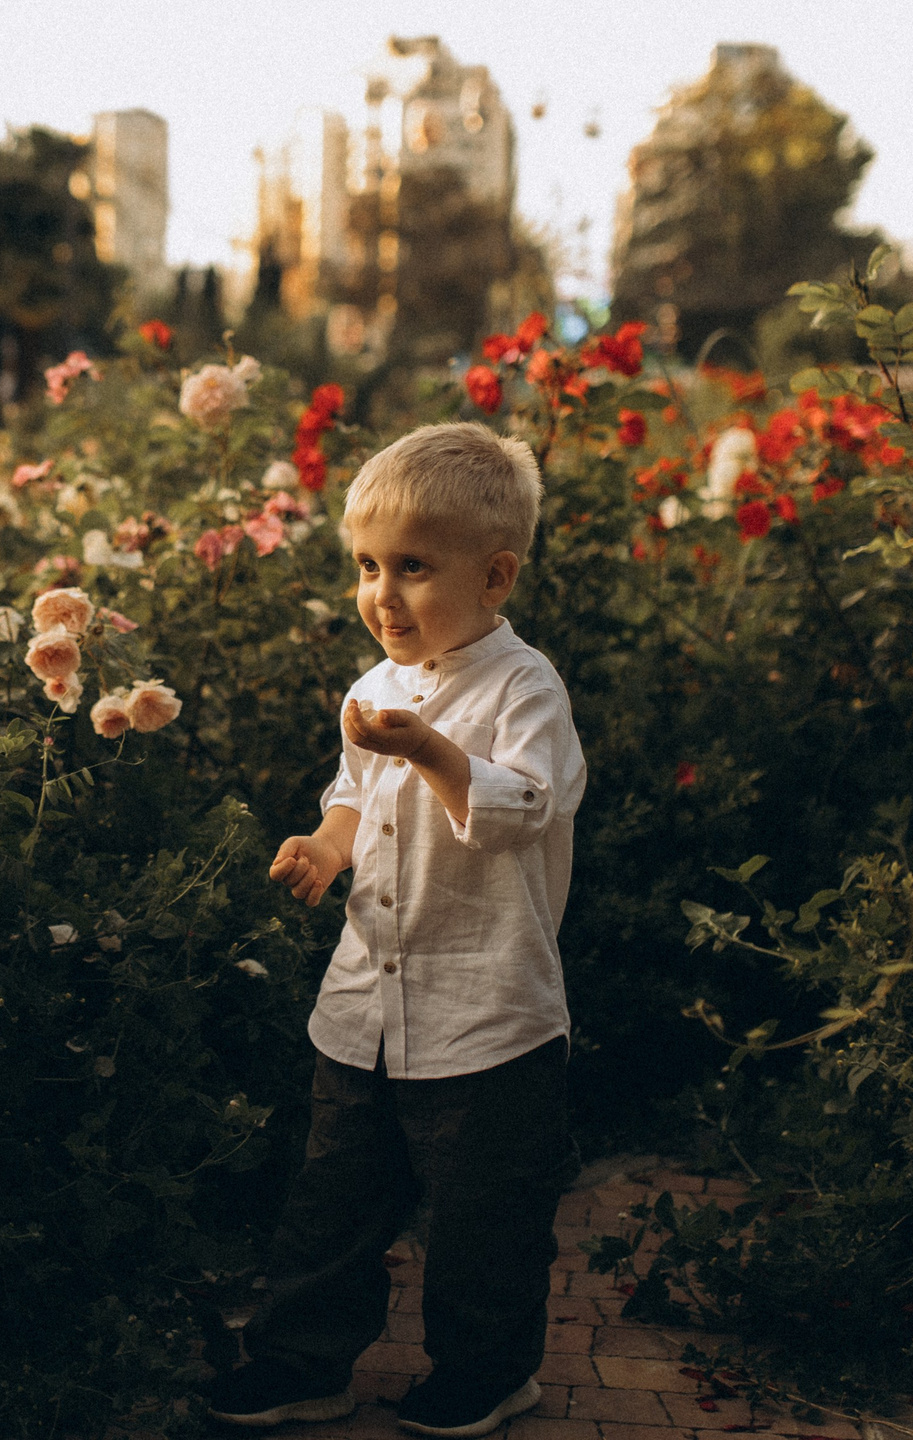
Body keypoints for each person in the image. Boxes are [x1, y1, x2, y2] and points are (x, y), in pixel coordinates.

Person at [207, 423, 587, 1438]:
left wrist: (431, 751)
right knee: (328, 1202)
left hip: (486, 1018)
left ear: (495, 576)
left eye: (413, 568)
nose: (382, 592)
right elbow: (350, 796)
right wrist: (324, 849)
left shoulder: (522, 689)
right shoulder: (372, 689)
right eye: (367, 566)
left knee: (481, 1223)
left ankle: (486, 1371)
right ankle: (301, 1359)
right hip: (364, 1005)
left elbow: (521, 809)